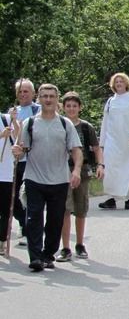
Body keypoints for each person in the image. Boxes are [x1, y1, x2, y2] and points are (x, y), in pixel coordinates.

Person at [12, 84, 82, 271]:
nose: (48, 100)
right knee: (33, 217)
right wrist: (17, 151)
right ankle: (35, 257)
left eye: (51, 96)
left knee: (55, 220)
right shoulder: (30, 123)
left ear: (57, 98)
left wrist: (76, 171)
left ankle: (48, 254)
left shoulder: (65, 124)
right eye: (44, 96)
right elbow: (22, 148)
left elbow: (76, 150)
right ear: (39, 98)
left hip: (59, 179)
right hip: (34, 177)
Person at [56, 92, 104, 262]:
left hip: (82, 171)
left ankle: (79, 244)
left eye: (74, 106)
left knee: (81, 209)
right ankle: (66, 247)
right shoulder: (58, 124)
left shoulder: (86, 127)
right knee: (65, 210)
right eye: (68, 106)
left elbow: (97, 148)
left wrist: (100, 165)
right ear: (63, 107)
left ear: (80, 108)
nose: (71, 109)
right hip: (62, 171)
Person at [98, 72, 129, 210]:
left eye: (121, 81)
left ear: (126, 84)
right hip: (112, 141)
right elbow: (105, 122)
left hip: (128, 141)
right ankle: (111, 198)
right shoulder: (110, 102)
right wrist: (102, 142)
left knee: (128, 169)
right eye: (116, 81)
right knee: (111, 169)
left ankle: (128, 198)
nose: (119, 83)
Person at [10, 78, 41, 245]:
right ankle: (23, 223)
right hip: (18, 161)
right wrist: (13, 121)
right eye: (20, 92)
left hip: (35, 159)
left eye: (26, 91)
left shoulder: (39, 109)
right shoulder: (12, 112)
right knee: (15, 197)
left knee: (30, 195)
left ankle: (31, 229)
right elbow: (14, 138)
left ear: (33, 93)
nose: (23, 94)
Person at [0, 109, 19, 255]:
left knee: (6, 210)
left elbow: (19, 136)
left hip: (5, 173)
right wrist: (1, 135)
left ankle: (2, 240)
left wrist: (14, 121)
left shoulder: (5, 118)